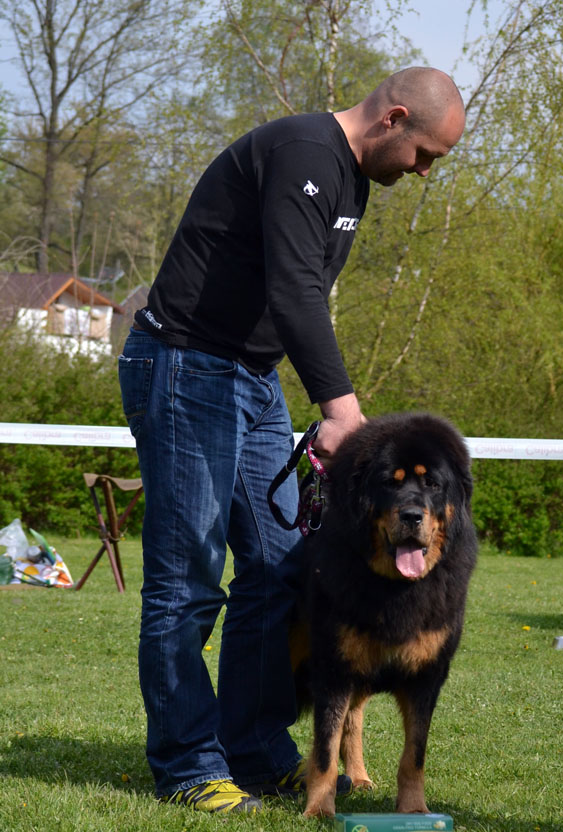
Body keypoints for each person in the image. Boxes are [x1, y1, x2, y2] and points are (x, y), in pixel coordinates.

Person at [118, 66, 466, 815]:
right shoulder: (307, 152)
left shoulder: (354, 181)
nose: (426, 172)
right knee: (188, 579)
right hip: (186, 364)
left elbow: (294, 300)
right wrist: (342, 408)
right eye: (425, 154)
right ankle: (186, 762)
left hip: (249, 376)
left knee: (281, 569)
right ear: (392, 118)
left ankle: (251, 746)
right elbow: (294, 289)